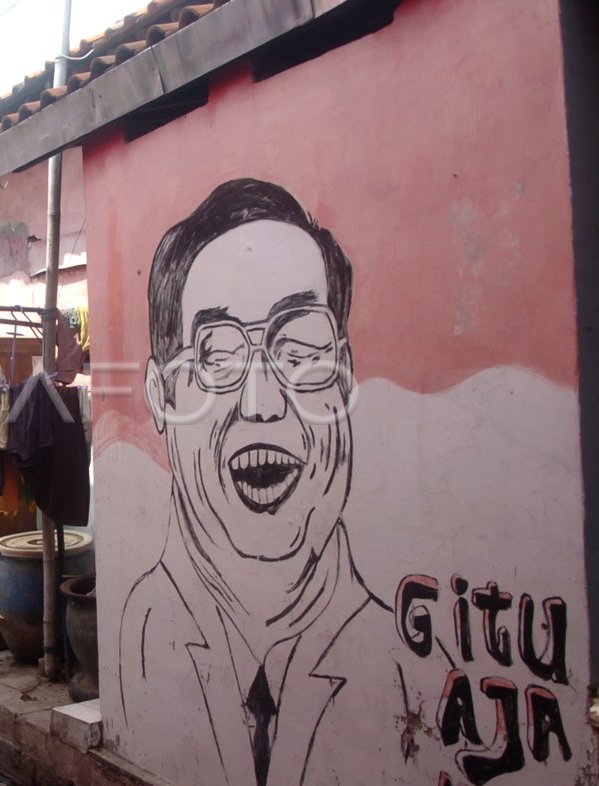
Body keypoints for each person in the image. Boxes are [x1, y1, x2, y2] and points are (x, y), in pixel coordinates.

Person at [118, 179, 449, 785]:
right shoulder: (139, 634)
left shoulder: (407, 664)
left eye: (300, 347)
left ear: (344, 377)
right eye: (217, 356)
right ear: (162, 396)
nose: (263, 402)